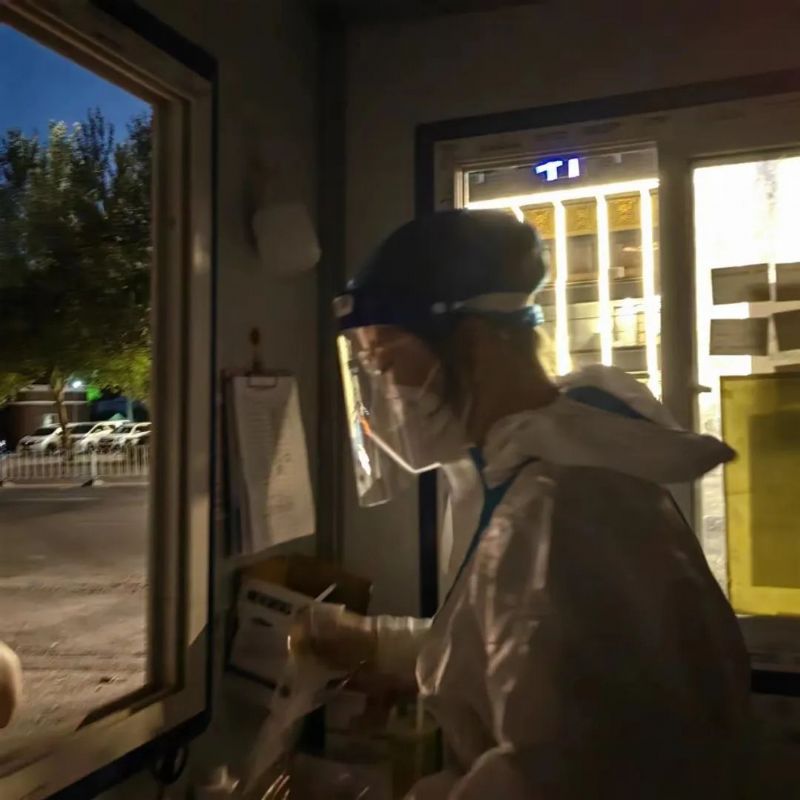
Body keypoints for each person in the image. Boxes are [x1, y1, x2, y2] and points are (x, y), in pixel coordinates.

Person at [296, 210, 753, 798]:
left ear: (473, 342)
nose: (382, 391)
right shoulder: (516, 466)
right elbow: (522, 646)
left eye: (384, 360)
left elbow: (559, 774)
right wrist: (376, 646)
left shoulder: (571, 504)